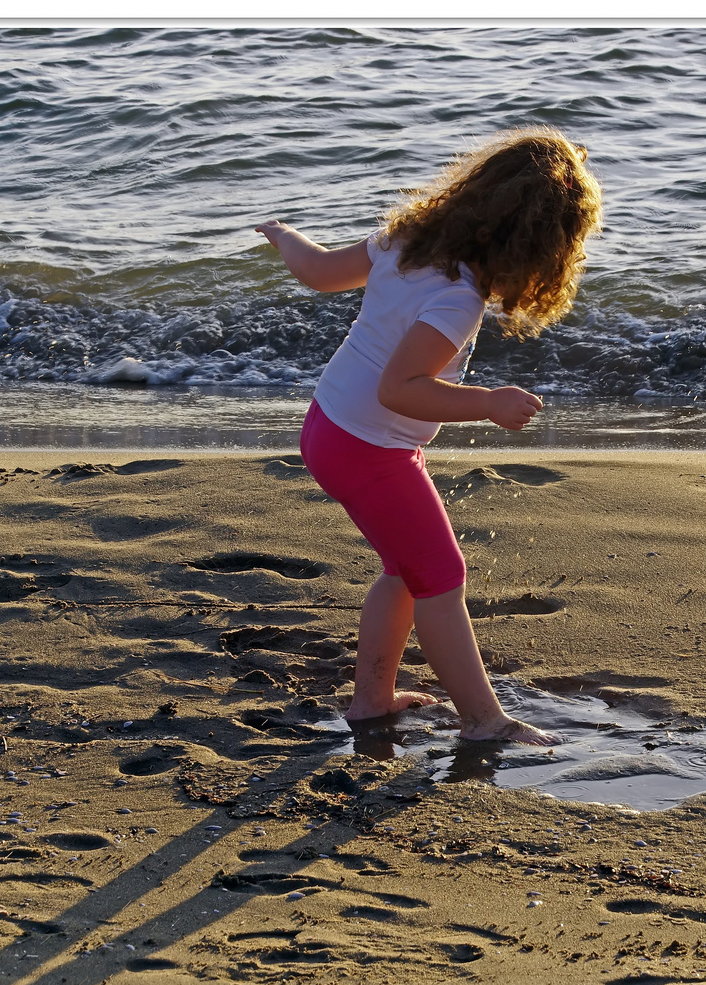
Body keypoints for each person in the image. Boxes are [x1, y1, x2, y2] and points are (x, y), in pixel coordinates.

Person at [255, 128, 601, 745]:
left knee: (406, 568)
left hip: (330, 426)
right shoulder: (456, 300)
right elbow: (402, 388)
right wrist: (488, 404)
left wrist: (287, 238)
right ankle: (484, 720)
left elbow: (320, 272)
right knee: (442, 576)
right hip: (370, 447)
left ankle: (371, 700)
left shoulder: (405, 239)